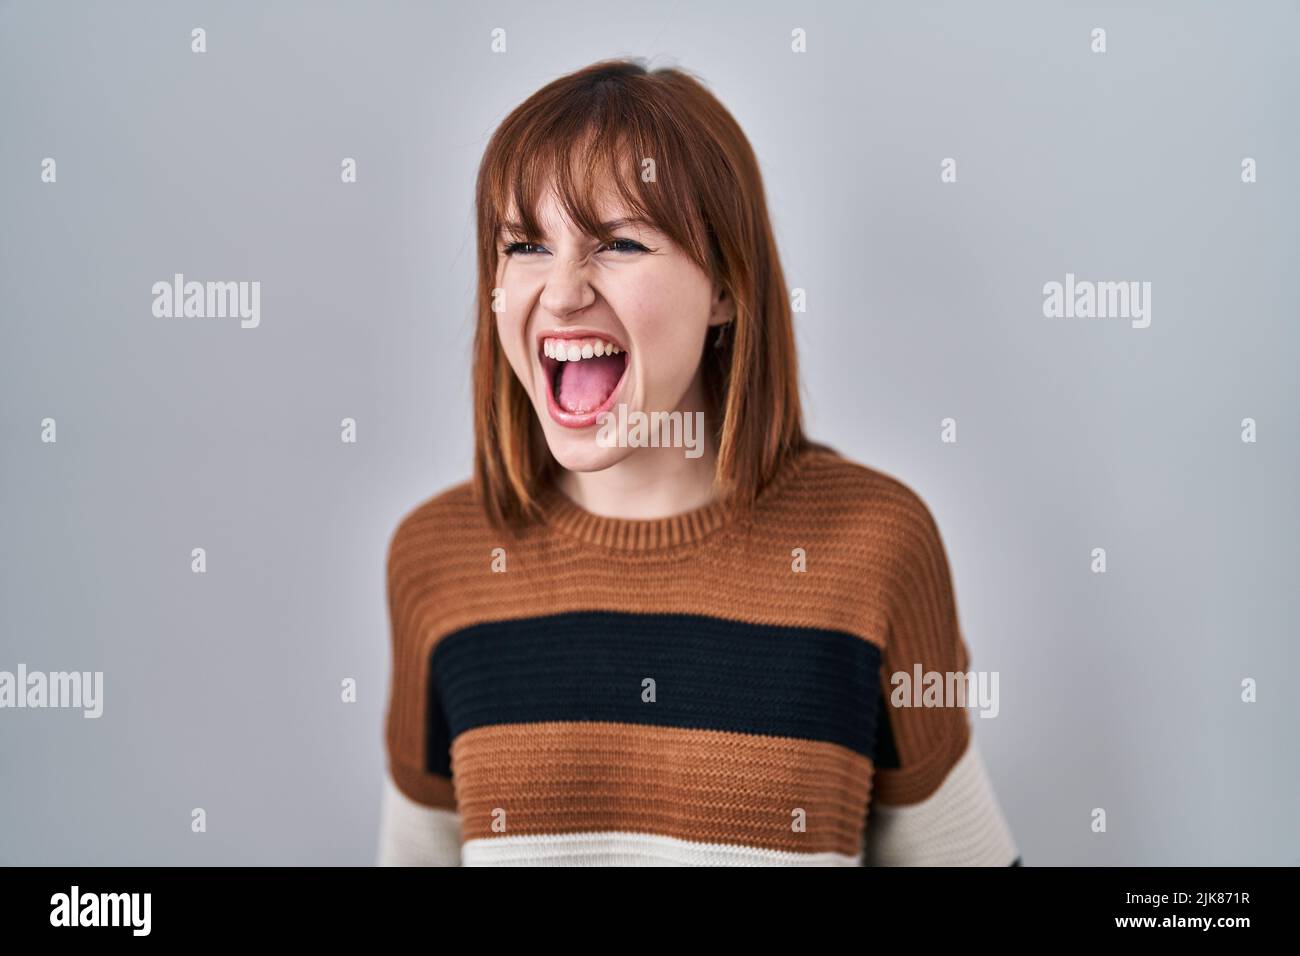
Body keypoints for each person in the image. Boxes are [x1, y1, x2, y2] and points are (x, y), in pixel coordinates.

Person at [376, 57, 1020, 866]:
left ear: (724, 287)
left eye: (619, 241)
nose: (564, 291)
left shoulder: (875, 545)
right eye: (527, 244)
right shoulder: (440, 558)